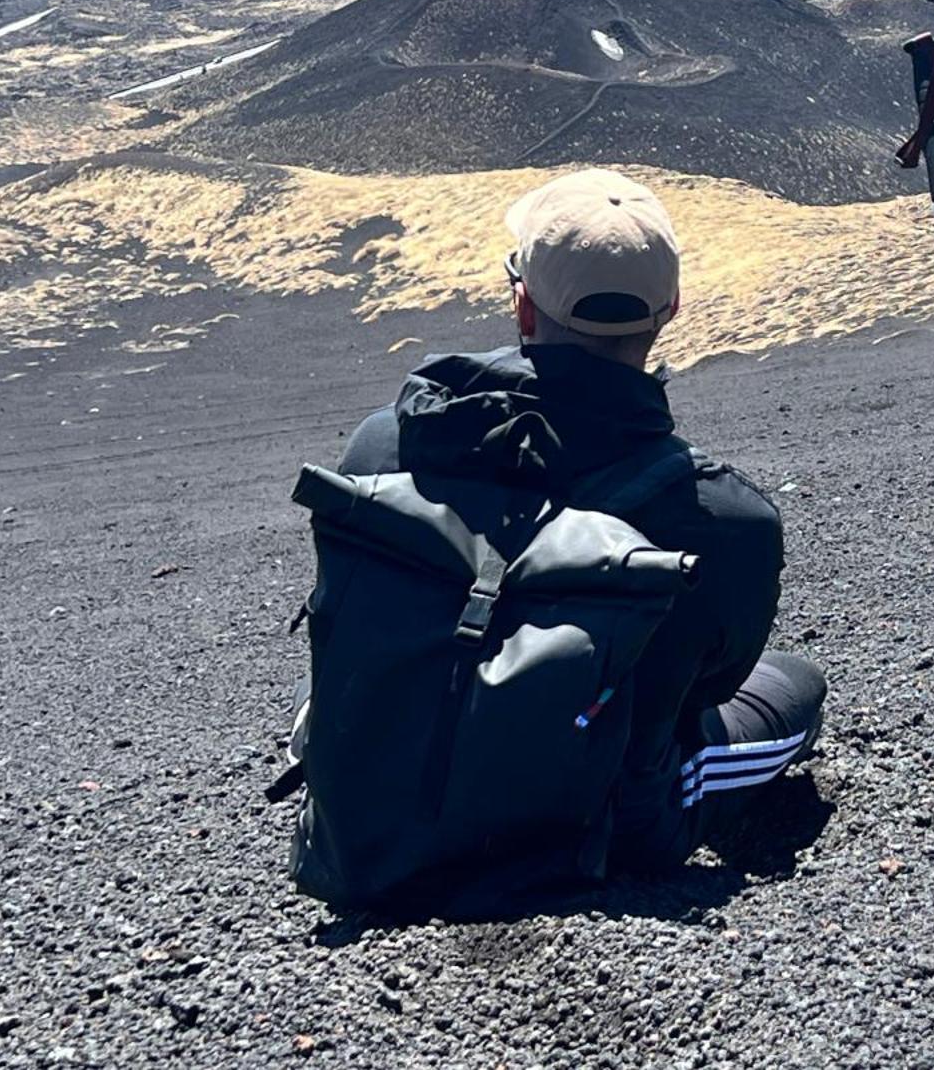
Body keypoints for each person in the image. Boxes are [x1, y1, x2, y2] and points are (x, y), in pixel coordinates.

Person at [339, 168, 825, 869]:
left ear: (523, 308)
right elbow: (713, 684)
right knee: (795, 684)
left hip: (383, 799)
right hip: (603, 830)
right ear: (672, 309)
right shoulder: (726, 515)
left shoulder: (382, 444)